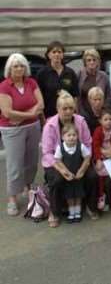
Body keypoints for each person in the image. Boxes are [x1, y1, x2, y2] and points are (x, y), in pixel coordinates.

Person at [42, 92, 99, 227]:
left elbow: (88, 144)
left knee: (92, 176)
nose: (68, 111)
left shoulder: (81, 121)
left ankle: (91, 207)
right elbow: (47, 153)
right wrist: (62, 170)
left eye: (71, 108)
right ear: (58, 109)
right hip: (57, 162)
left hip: (79, 160)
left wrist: (83, 167)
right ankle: (54, 212)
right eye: (64, 108)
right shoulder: (50, 125)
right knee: (57, 180)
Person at [0, 53, 44, 216]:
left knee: (31, 161)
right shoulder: (4, 86)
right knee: (15, 165)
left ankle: (28, 186)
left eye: (21, 66)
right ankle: (12, 198)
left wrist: (22, 116)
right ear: (9, 69)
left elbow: (41, 104)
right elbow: (7, 113)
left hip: (32, 127)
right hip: (12, 130)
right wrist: (30, 114)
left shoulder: (31, 82)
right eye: (15, 66)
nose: (18, 69)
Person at [53, 123, 91, 223]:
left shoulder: (81, 146)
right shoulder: (60, 148)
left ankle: (77, 212)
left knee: (78, 194)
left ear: (77, 136)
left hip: (78, 176)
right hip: (68, 177)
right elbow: (58, 160)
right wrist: (66, 172)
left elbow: (87, 158)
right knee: (69, 195)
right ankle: (71, 212)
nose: (71, 138)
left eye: (74, 135)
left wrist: (81, 170)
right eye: (68, 135)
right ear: (63, 137)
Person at [35, 41, 79, 118]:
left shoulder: (70, 73)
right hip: (49, 116)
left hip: (67, 116)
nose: (57, 54)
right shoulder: (42, 74)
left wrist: (74, 114)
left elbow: (75, 96)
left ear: (62, 55)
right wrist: (42, 119)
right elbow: (39, 99)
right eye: (54, 52)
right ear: (48, 55)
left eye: (59, 52)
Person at [78, 49, 111, 116]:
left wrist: (104, 110)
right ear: (85, 62)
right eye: (89, 60)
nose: (92, 62)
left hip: (101, 114)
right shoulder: (80, 75)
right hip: (84, 114)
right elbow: (77, 96)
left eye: (94, 60)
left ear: (98, 61)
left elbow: (109, 96)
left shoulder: (104, 76)